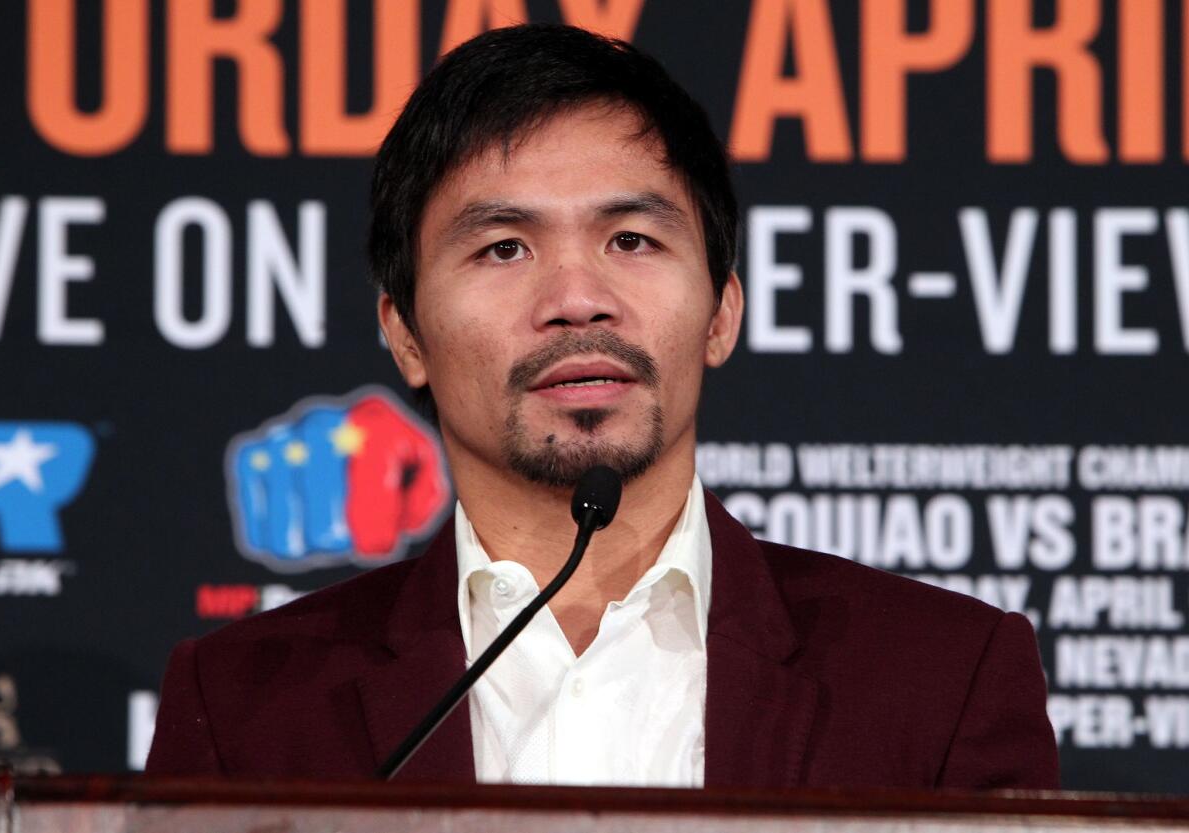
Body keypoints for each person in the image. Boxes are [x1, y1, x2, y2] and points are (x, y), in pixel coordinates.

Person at [147, 23, 1058, 789]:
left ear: (722, 311)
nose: (578, 298)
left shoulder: (942, 681)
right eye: (504, 248)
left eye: (631, 238)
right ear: (406, 333)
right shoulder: (243, 711)